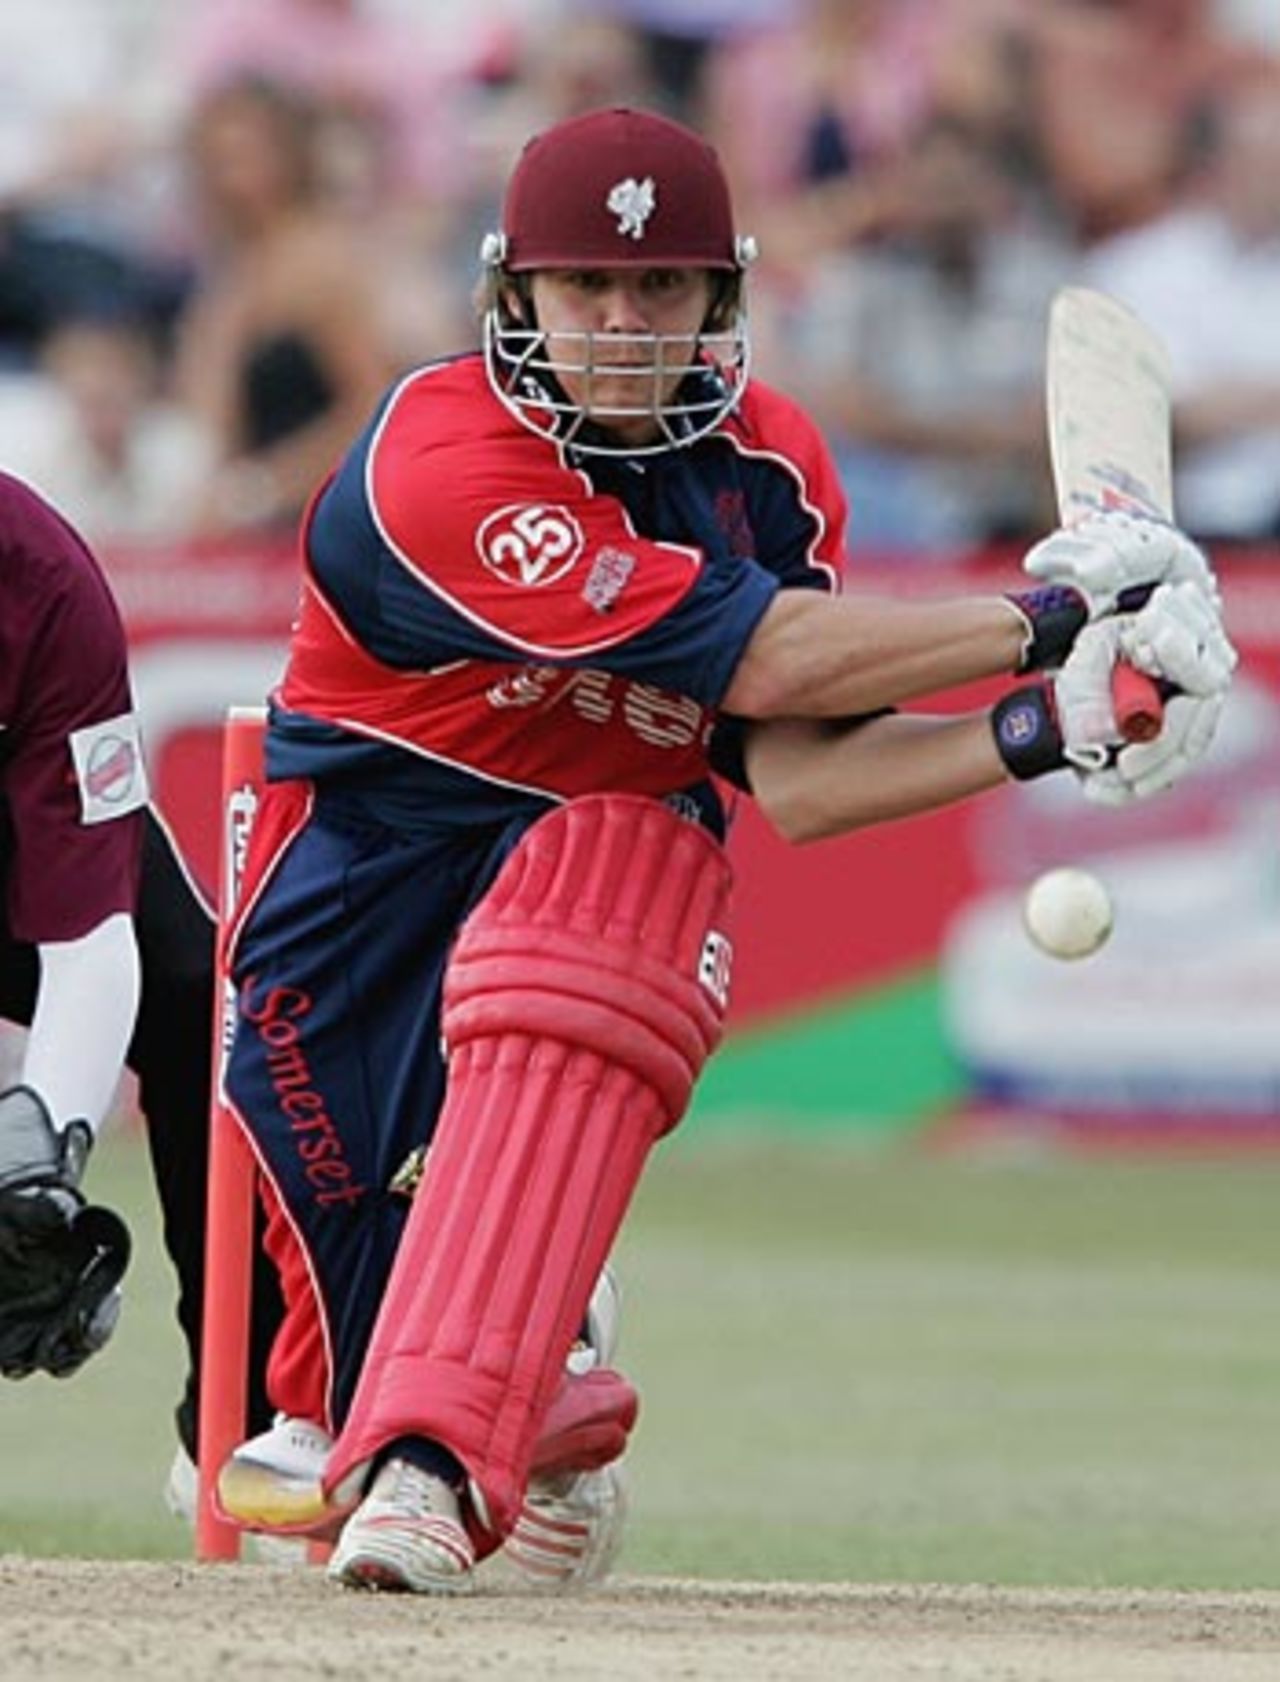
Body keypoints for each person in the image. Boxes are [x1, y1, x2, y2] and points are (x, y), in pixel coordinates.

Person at [211, 106, 1235, 1596]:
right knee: (320, 1417)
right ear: (513, 296)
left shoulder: (770, 469)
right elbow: (765, 656)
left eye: (663, 287)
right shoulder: (437, 459)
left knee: (614, 865)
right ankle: (535, 1372)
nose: (625, 325)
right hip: (364, 887)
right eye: (585, 287)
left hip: (593, 893)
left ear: (723, 297)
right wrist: (1057, 617)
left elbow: (801, 780)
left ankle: (475, 1401)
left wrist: (1051, 724)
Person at [0, 470, 280, 1483]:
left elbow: (88, 931)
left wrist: (42, 1160)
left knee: (203, 1003)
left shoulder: (38, 576)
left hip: (12, 824)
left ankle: (249, 1422)